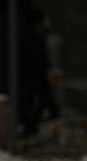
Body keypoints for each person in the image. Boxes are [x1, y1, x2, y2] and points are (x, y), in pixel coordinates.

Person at [19, 8, 59, 137]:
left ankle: (31, 127)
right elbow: (35, 60)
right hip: (34, 78)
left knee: (40, 104)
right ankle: (31, 127)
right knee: (42, 104)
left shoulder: (37, 36)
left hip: (35, 78)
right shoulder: (31, 38)